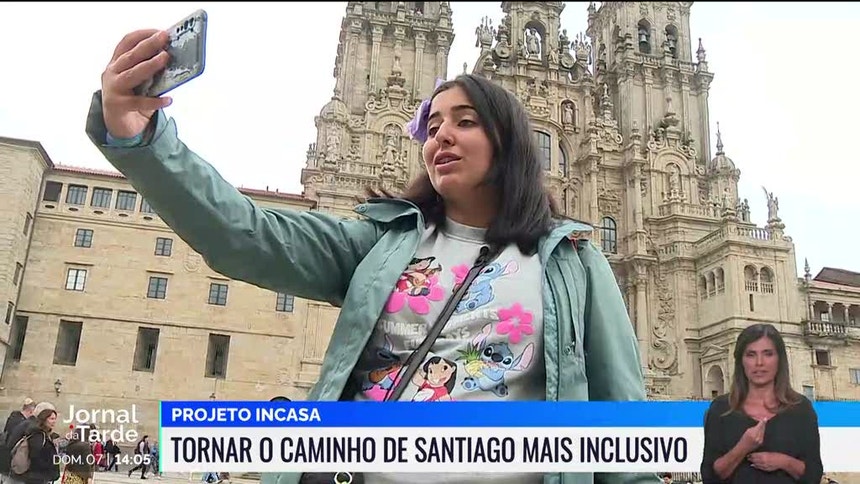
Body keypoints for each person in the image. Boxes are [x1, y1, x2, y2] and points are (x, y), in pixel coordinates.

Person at [89, 29, 656, 484]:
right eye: (433, 125)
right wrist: (146, 141)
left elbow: (624, 432)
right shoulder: (382, 243)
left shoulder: (574, 263)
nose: (441, 136)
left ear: (509, 144)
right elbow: (248, 235)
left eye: (464, 122)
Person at [700, 324, 823, 483]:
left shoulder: (801, 409)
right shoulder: (721, 409)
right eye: (751, 355)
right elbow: (710, 476)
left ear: (779, 359)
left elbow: (814, 474)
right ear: (741, 361)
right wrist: (743, 447)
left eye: (768, 354)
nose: (759, 362)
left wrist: (783, 462)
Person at [10, 407, 60, 484]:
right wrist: (49, 466)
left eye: (55, 419)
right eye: (51, 419)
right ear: (44, 419)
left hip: (38, 476)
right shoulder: (38, 435)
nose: (54, 421)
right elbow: (35, 456)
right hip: (37, 477)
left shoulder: (43, 434)